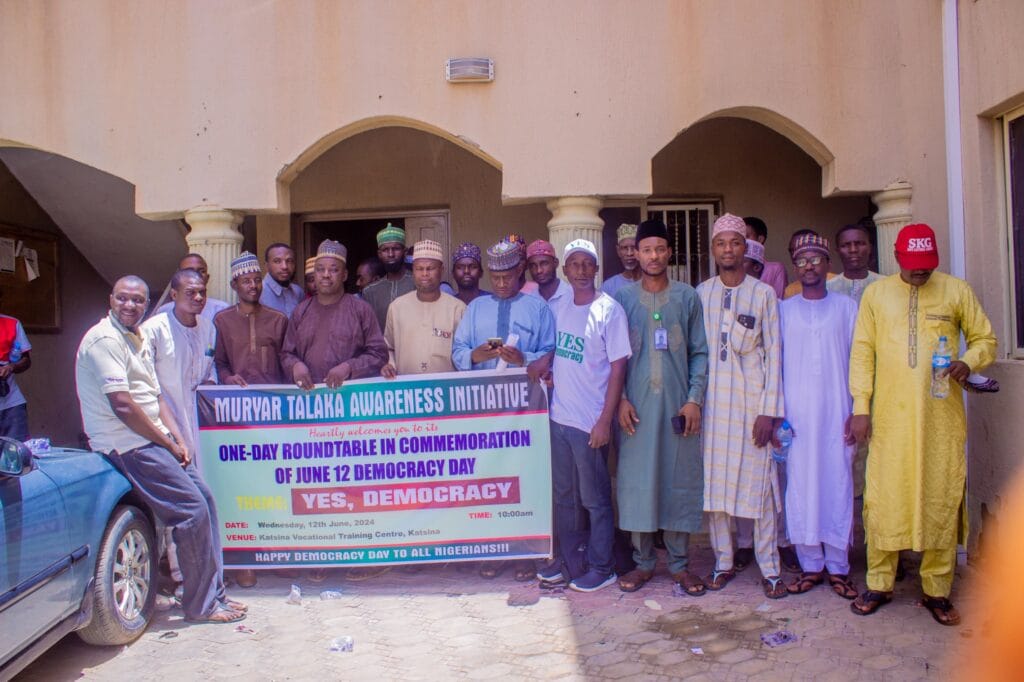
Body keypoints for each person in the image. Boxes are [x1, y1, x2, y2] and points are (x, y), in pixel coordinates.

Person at [75, 276, 246, 624]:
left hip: (153, 438)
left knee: (207, 502)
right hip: (128, 444)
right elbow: (123, 406)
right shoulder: (104, 340)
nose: (130, 306)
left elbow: (153, 397)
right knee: (191, 512)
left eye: (138, 300)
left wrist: (178, 439)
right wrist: (166, 441)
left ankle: (214, 594)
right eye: (123, 298)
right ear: (111, 299)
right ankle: (200, 605)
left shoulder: (136, 337)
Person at [849, 223, 996, 626]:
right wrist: (861, 405)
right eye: (913, 266)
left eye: (926, 266)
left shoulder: (956, 291)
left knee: (940, 496)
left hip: (940, 420)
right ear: (896, 257)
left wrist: (972, 361)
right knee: (884, 498)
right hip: (888, 419)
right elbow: (863, 352)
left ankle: (937, 590)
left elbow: (985, 338)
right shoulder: (876, 295)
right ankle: (879, 582)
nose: (920, 273)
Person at [613, 219, 709, 596]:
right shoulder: (622, 300)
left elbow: (699, 353)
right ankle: (643, 565)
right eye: (646, 249)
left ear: (669, 253)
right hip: (634, 410)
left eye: (659, 249)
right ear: (635, 254)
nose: (653, 256)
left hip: (677, 410)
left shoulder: (687, 297)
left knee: (678, 482)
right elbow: (613, 357)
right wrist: (619, 399)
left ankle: (681, 566)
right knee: (638, 484)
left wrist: (693, 399)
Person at [452, 239, 556, 581]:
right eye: (495, 277)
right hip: (483, 410)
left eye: (507, 276)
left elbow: (548, 351)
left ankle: (525, 552)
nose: (500, 284)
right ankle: (492, 548)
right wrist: (476, 356)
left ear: (519, 272)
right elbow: (459, 350)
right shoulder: (476, 309)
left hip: (524, 411)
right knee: (487, 479)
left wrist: (523, 358)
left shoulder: (537, 308)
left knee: (523, 479)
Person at [697, 213, 787, 599]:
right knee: (716, 491)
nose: (728, 249)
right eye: (722, 243)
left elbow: (775, 354)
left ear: (745, 248)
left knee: (760, 489)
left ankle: (770, 569)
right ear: (714, 250)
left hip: (752, 407)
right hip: (715, 407)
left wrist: (768, 412)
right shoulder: (702, 293)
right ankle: (723, 562)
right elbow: (698, 354)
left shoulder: (763, 294)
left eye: (735, 242)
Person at [535, 239, 630, 592]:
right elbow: (557, 354)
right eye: (573, 264)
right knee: (564, 497)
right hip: (560, 418)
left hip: (590, 422)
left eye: (587, 264)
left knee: (595, 499)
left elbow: (618, 369)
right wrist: (546, 370)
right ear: (565, 270)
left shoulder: (609, 310)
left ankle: (603, 566)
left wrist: (605, 421)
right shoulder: (559, 308)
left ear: (595, 268)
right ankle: (569, 560)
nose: (580, 270)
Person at [778, 235, 860, 600]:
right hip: (796, 416)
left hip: (838, 414)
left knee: (838, 485)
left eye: (816, 259)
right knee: (800, 487)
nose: (809, 266)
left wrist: (858, 410)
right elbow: (774, 366)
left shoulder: (847, 308)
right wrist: (778, 413)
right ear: (795, 267)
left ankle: (840, 568)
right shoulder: (784, 310)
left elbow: (860, 364)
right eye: (802, 260)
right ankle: (811, 565)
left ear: (828, 264)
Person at [281, 240, 388, 390]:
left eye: (333, 270)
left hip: (350, 399)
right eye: (320, 269)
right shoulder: (301, 311)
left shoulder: (361, 309)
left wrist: (348, 368)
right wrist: (295, 365)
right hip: (308, 400)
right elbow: (286, 353)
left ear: (344, 275)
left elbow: (379, 354)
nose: (326, 275)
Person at [141, 268, 216, 467]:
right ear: (174, 295)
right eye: (191, 292)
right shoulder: (154, 329)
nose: (199, 297)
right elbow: (146, 382)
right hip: (167, 421)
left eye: (202, 292)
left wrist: (210, 383)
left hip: (200, 421)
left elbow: (210, 369)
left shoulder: (208, 327)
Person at [381, 239, 466, 377]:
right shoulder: (397, 307)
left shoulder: (458, 309)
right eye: (419, 269)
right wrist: (390, 364)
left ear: (441, 270)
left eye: (430, 268)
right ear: (413, 271)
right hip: (408, 391)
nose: (425, 274)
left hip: (446, 391)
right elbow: (389, 347)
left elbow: (464, 353)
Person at [214, 251, 288, 386]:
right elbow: (219, 362)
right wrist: (227, 378)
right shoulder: (222, 320)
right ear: (234, 286)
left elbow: (287, 359)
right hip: (237, 398)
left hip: (273, 399)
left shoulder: (278, 319)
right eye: (246, 281)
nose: (253, 285)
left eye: (257, 280)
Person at [361, 223, 415, 331]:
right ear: (379, 254)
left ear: (404, 252)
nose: (391, 254)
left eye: (396, 248)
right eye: (385, 250)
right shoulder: (370, 291)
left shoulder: (417, 284)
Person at [155, 253, 230, 321]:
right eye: (189, 271)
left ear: (207, 278)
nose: (196, 275)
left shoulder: (221, 309)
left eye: (201, 271)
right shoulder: (164, 312)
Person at [0, 298, 32, 442]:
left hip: (11, 404)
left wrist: (11, 367)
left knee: (16, 455)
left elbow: (26, 360)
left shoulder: (12, 323)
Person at [827, 222, 882, 304]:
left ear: (870, 248)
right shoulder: (827, 290)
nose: (853, 250)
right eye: (845, 245)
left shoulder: (885, 285)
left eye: (859, 243)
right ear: (838, 251)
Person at [783, 230, 836, 299]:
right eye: (792, 250)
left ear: (828, 265)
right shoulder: (790, 291)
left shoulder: (837, 282)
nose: (795, 255)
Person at [744, 217, 787, 298]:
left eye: (747, 236)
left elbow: (779, 301)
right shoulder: (735, 266)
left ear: (760, 239)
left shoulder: (776, 269)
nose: (743, 240)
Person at [259, 243, 304, 317]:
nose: (285, 266)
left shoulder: (298, 292)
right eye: (277, 261)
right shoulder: (258, 292)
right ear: (266, 266)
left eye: (289, 261)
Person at [525, 239, 572, 305]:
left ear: (556, 263)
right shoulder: (529, 300)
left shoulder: (572, 296)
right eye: (533, 265)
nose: (539, 270)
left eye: (544, 263)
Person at [600, 223, 641, 297]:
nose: (629, 253)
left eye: (634, 248)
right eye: (625, 248)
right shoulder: (608, 287)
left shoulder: (652, 283)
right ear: (618, 251)